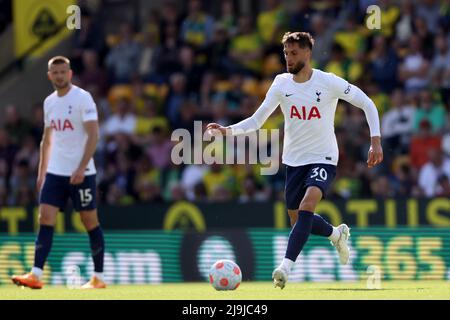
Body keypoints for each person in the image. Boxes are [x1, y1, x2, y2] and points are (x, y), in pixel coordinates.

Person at [206, 32, 383, 289]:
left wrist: (375, 140)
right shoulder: (280, 84)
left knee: (307, 206)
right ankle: (336, 234)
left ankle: (285, 268)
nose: (288, 58)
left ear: (307, 53)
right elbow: (257, 121)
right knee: (298, 219)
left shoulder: (328, 82)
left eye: (294, 53)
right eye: (286, 53)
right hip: (294, 161)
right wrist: (226, 130)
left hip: (323, 157)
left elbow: (367, 103)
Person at [11, 56, 106, 289]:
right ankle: (36, 274)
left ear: (70, 74)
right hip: (56, 171)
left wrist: (82, 168)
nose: (60, 76)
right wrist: (42, 172)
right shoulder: (49, 102)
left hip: (83, 172)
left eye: (63, 72)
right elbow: (47, 140)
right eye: (55, 72)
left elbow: (94, 135)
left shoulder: (83, 98)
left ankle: (99, 278)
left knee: (89, 221)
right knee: (44, 218)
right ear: (49, 75)